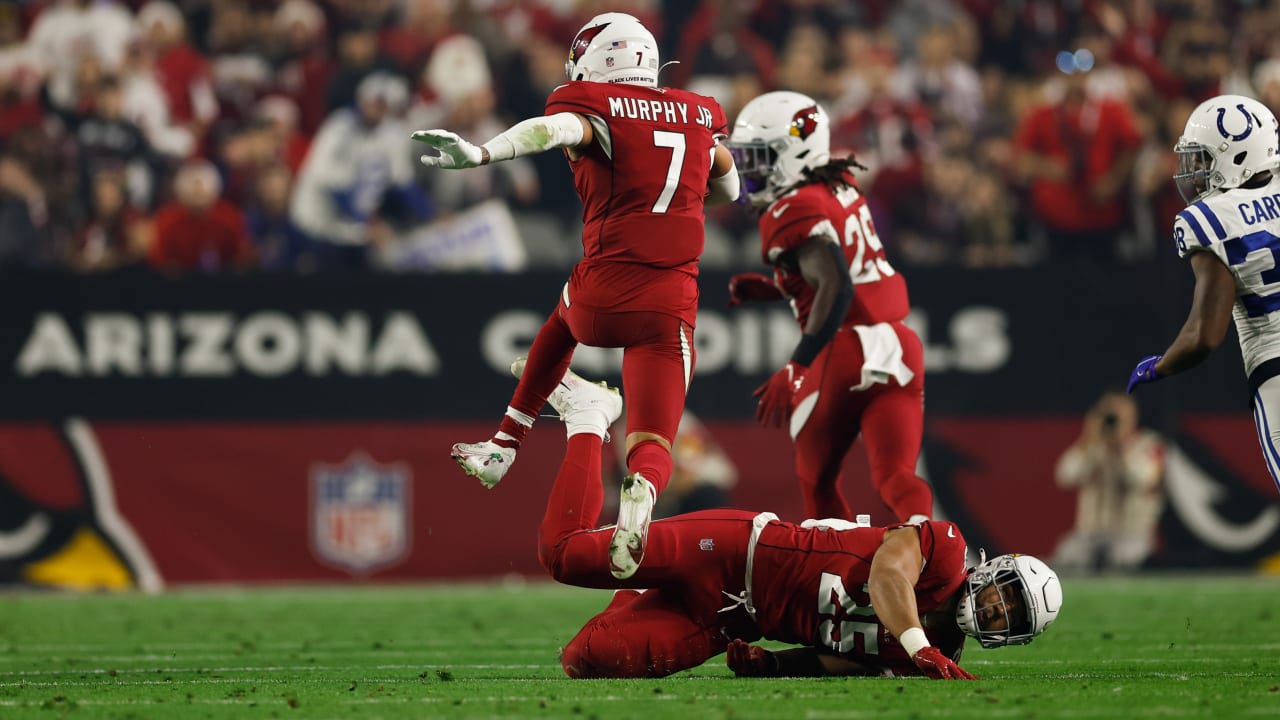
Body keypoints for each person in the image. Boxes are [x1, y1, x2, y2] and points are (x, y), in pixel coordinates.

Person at [413, 12, 740, 579]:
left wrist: (483, 154)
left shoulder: (592, 103)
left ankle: (504, 443)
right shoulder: (700, 110)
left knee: (562, 324)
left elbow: (554, 131)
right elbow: (729, 186)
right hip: (671, 302)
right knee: (653, 437)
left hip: (605, 290)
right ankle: (643, 495)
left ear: (599, 60)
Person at [531, 367, 1062, 679]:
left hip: (733, 619)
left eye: (1011, 614)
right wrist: (919, 646)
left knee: (586, 658)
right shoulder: (945, 549)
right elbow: (887, 578)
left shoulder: (936, 654)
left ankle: (642, 587)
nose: (997, 608)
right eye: (1008, 594)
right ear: (997, 571)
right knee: (563, 554)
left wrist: (776, 667)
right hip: (738, 550)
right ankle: (588, 416)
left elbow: (843, 660)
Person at [725, 91, 933, 525]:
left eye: (760, 158)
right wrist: (777, 286)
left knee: (816, 480)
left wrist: (797, 365)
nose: (749, 170)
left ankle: (839, 575)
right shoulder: (838, 182)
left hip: (845, 350)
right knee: (896, 477)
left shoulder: (789, 207)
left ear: (793, 153)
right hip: (900, 344)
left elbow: (836, 287)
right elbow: (837, 274)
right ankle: (934, 556)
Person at [1127, 94, 1280, 497]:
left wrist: (1161, 365)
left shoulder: (1210, 217)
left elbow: (1205, 335)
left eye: (1205, 159)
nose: (1195, 171)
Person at [1052, 390, 1166, 573]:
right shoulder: (1093, 446)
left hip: (1131, 535)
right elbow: (1065, 476)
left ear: (1133, 414)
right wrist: (1088, 439)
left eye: (1121, 413)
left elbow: (1144, 480)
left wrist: (1120, 448)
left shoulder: (1148, 444)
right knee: (1066, 561)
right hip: (1090, 535)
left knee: (1122, 562)